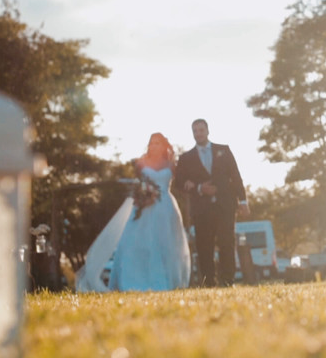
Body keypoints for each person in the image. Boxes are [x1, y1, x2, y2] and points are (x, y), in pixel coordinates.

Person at [76, 133, 190, 292]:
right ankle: (133, 281)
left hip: (165, 208)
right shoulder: (141, 163)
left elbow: (180, 183)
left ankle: (167, 281)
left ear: (164, 146)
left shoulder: (171, 164)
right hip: (145, 207)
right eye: (152, 143)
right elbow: (138, 184)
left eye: (157, 143)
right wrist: (143, 195)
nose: (154, 146)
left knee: (166, 244)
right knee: (137, 243)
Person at [172, 118, 248, 287]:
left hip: (225, 206)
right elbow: (178, 183)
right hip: (202, 210)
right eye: (195, 131)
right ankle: (209, 283)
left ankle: (228, 281)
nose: (198, 133)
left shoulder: (224, 150)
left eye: (201, 130)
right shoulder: (186, 158)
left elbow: (235, 176)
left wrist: (243, 200)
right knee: (204, 247)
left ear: (207, 131)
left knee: (226, 243)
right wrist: (199, 188)